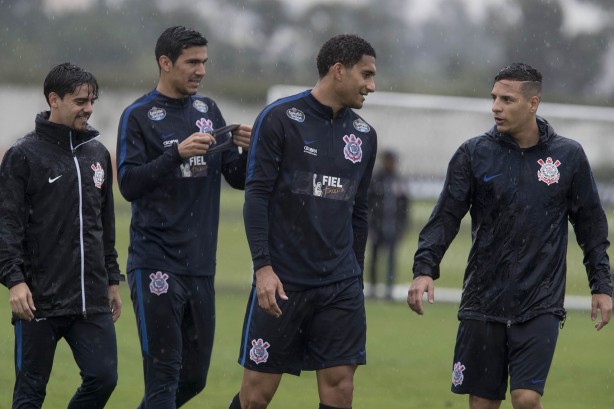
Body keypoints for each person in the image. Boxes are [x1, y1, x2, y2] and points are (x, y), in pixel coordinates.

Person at [407, 63, 612, 409]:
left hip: (539, 301)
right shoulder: (473, 153)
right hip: (483, 299)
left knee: (527, 399)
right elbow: (445, 217)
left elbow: (591, 227)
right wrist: (424, 268)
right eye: (494, 98)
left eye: (507, 99)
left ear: (533, 104)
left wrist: (602, 286)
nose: (496, 107)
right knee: (483, 403)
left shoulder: (568, 156)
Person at [228, 34, 377, 409]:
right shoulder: (279, 118)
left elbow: (359, 210)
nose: (372, 86)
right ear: (338, 70)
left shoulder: (364, 135)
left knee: (340, 390)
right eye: (366, 74)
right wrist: (263, 267)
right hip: (283, 280)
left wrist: (355, 275)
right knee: (256, 397)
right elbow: (256, 194)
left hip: (340, 284)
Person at [115, 26, 252, 408]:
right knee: (164, 377)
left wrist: (251, 150)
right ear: (165, 62)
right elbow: (127, 184)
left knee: (193, 379)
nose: (201, 71)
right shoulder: (138, 115)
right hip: (155, 262)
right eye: (192, 62)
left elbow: (237, 178)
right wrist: (176, 154)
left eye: (204, 63)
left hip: (200, 265)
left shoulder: (208, 111)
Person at [0, 62, 124, 408]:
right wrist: (15, 281)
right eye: (80, 101)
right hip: (38, 300)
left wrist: (112, 279)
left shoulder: (97, 154)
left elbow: (105, 224)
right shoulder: (23, 155)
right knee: (30, 394)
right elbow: (7, 225)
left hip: (91, 298)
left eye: (92, 101)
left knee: (104, 378)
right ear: (54, 99)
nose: (89, 108)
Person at [367, 150, 409, 300]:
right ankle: (372, 288)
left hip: (393, 227)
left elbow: (405, 206)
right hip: (377, 226)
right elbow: (368, 203)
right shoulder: (376, 179)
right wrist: (370, 225)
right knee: (374, 259)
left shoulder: (399, 180)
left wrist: (402, 226)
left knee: (391, 259)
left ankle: (389, 290)